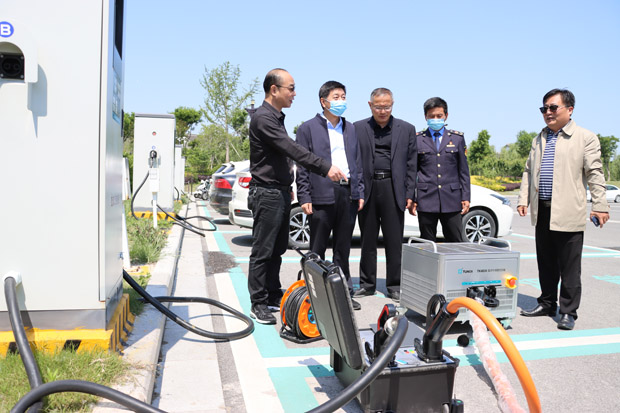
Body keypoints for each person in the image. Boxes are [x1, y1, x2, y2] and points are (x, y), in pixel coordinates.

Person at [247, 68, 346, 324]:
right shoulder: (264, 119)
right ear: (274, 89)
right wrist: (325, 167)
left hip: (279, 191)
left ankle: (272, 293)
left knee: (277, 248)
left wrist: (286, 184)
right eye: (290, 88)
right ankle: (258, 302)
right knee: (263, 250)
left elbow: (281, 155)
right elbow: (292, 149)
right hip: (266, 192)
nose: (294, 93)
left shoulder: (276, 117)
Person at [517, 88, 610, 330]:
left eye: (553, 107)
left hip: (568, 211)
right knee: (546, 262)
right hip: (543, 210)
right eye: (544, 108)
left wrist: (600, 205)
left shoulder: (585, 137)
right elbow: (528, 171)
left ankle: (568, 312)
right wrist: (523, 199)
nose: (547, 112)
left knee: (569, 267)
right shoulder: (539, 139)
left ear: (569, 109)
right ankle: (547, 303)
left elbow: (594, 172)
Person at [296, 81, 364, 310]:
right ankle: (312, 295)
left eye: (343, 97)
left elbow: (357, 163)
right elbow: (302, 166)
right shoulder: (307, 128)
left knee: (343, 248)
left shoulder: (350, 128)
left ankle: (344, 294)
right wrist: (304, 196)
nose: (341, 101)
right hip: (321, 193)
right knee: (317, 248)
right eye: (336, 97)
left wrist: (359, 191)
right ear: (323, 101)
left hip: (348, 193)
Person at [353, 88, 417, 301]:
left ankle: (395, 285)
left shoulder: (406, 129)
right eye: (378, 106)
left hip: (393, 188)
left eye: (387, 106)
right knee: (367, 240)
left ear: (393, 104)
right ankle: (367, 284)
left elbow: (412, 164)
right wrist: (357, 190)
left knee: (394, 241)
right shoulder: (357, 128)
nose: (383, 111)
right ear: (370, 105)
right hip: (368, 189)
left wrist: (410, 193)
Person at [410, 97, 471, 242]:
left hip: (452, 199)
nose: (435, 119)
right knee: (427, 243)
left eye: (439, 116)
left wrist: (465, 197)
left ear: (446, 116)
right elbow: (412, 172)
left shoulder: (457, 138)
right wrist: (412, 198)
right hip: (426, 200)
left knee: (455, 242)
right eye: (432, 116)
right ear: (425, 117)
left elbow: (463, 171)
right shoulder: (417, 139)